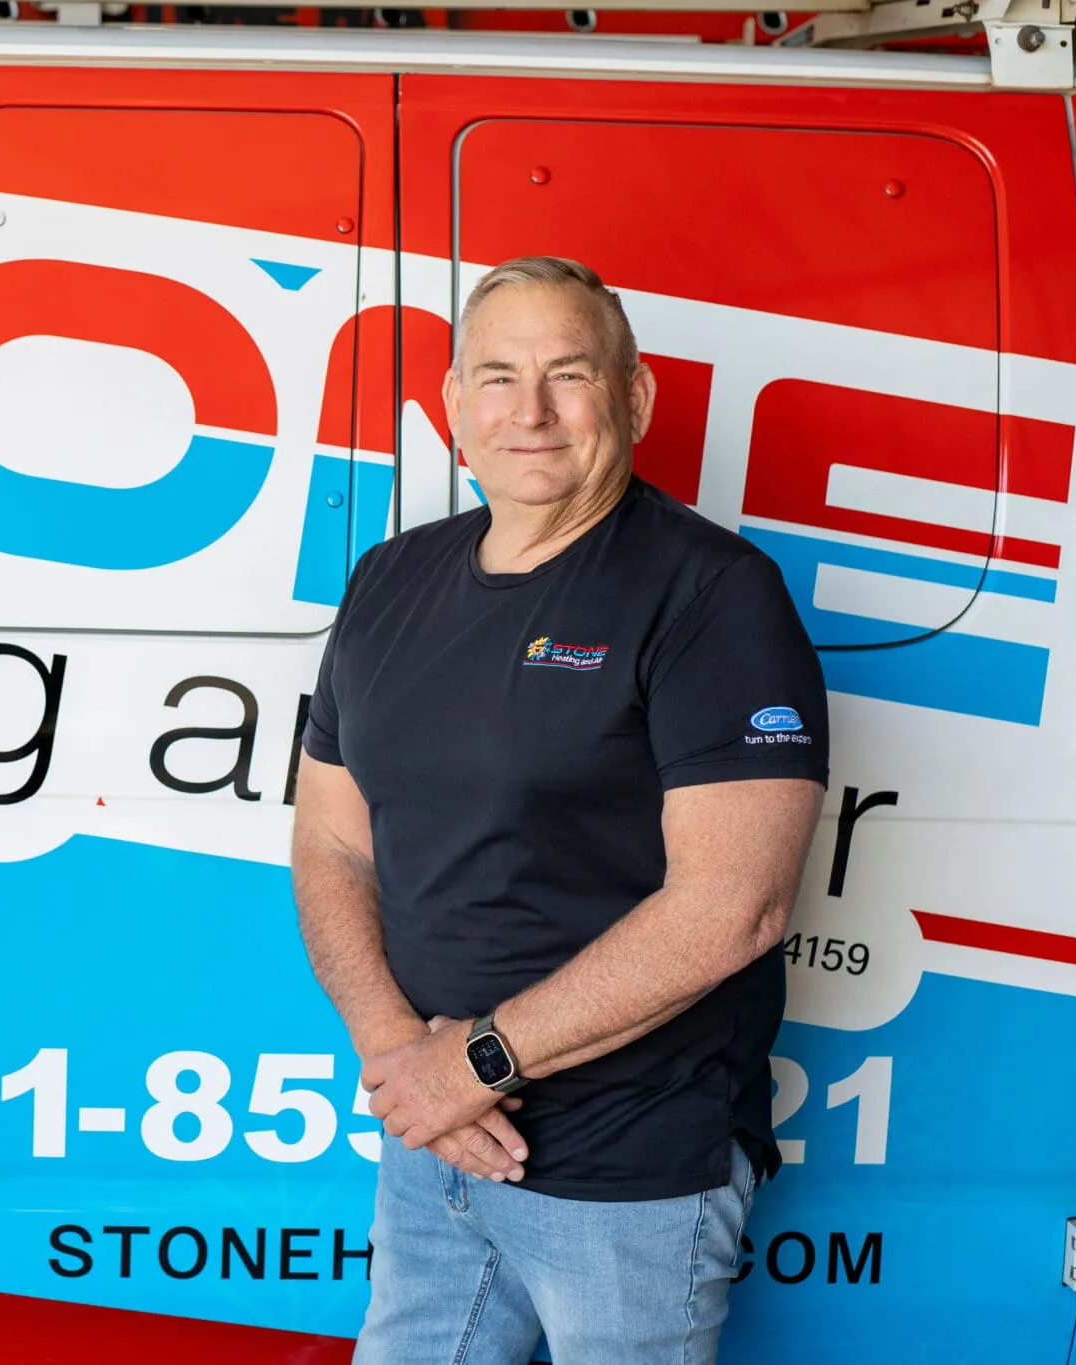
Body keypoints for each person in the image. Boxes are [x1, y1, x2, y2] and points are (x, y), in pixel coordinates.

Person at [291, 256, 827, 1365]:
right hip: (433, 1142)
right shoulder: (388, 580)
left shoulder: (711, 593)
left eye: (567, 374)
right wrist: (404, 1060)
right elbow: (332, 840)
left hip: (631, 1164)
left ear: (633, 398)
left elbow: (733, 907)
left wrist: (470, 1066)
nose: (528, 411)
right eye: (496, 377)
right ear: (454, 404)